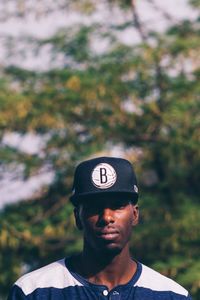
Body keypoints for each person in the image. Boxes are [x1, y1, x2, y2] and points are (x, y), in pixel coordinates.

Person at [8, 156, 192, 300]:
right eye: (94, 207)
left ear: (135, 215)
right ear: (77, 218)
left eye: (118, 205)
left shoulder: (171, 295)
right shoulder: (33, 291)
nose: (107, 217)